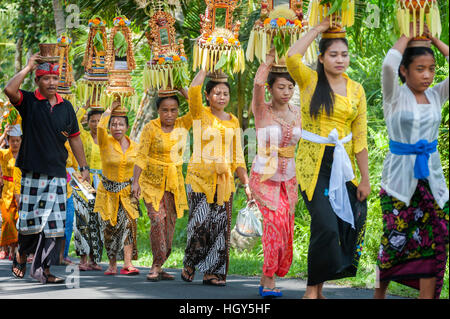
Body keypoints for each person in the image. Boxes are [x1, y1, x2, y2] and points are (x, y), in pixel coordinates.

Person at [286, 18, 370, 299]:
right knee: (324, 224)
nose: (340, 59)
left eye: (344, 54)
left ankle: (318, 290)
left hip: (343, 167)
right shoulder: (309, 80)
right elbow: (291, 57)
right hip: (314, 165)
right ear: (321, 58)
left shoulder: (356, 89)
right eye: (333, 54)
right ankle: (311, 292)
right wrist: (318, 29)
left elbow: (360, 138)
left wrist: (365, 179)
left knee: (340, 228)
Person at [374, 28, 449, 299]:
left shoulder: (437, 95)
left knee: (436, 239)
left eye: (431, 69)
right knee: (393, 241)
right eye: (420, 68)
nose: (427, 75)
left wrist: (434, 40)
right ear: (404, 71)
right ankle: (378, 294)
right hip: (398, 181)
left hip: (432, 180)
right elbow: (387, 64)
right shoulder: (394, 95)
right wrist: (408, 34)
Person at [3, 53, 90, 284]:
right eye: (46, 78)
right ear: (37, 81)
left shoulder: (66, 107)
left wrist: (84, 167)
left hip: (58, 175)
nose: (51, 82)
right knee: (30, 224)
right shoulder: (29, 102)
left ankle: (44, 270)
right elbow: (9, 90)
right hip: (32, 173)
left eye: (54, 78)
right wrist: (28, 66)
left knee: (54, 226)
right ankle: (22, 253)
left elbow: (75, 139)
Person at [181, 70, 252, 286]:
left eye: (225, 94)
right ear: (207, 95)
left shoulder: (233, 121)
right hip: (200, 180)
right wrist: (204, 68)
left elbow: (238, 156)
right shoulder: (200, 114)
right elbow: (192, 91)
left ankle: (212, 272)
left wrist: (246, 183)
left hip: (224, 183)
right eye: (217, 93)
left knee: (219, 228)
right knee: (200, 225)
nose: (222, 97)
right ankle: (190, 262)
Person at [249, 49, 301, 298]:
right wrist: (268, 60)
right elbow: (258, 84)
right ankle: (268, 280)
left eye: (290, 87)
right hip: (265, 176)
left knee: (286, 229)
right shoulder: (262, 110)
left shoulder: (298, 113)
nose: (287, 92)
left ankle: (266, 276)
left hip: (289, 179)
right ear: (271, 89)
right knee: (274, 223)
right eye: (281, 87)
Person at [132, 92, 192, 281]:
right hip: (152, 182)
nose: (169, 114)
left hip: (174, 183)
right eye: (164, 110)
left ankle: (160, 262)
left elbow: (197, 107)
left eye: (173, 110)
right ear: (158, 110)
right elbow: (141, 155)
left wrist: (183, 90)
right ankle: (156, 265)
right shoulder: (151, 128)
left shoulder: (183, 124)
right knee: (157, 219)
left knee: (169, 225)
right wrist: (135, 181)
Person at [94, 101, 140, 276]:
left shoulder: (135, 147)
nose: (117, 127)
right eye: (113, 124)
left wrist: (138, 185)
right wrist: (109, 110)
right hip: (108, 192)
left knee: (129, 225)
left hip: (127, 192)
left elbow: (140, 166)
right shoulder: (105, 142)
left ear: (127, 127)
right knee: (110, 228)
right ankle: (112, 264)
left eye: (121, 124)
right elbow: (100, 127)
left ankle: (127, 264)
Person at [72, 99, 104, 271]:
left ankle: (94, 259)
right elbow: (75, 120)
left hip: (101, 182)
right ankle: (83, 259)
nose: (96, 124)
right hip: (82, 179)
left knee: (98, 220)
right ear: (88, 122)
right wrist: (85, 105)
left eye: (100, 121)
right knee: (82, 219)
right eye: (93, 120)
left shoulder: (108, 138)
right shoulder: (83, 135)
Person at [0, 124, 22, 260]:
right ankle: (3, 247)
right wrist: (3, 134)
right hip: (6, 190)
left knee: (16, 220)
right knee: (7, 220)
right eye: (12, 140)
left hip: (20, 189)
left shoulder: (24, 154)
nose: (14, 143)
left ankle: (13, 249)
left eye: (17, 140)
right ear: (8, 141)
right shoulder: (4, 154)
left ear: (21, 141)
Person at [58, 141, 77, 266]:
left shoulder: (72, 146)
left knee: (68, 223)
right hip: (53, 190)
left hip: (69, 191)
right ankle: (49, 255)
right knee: (54, 224)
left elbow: (75, 169)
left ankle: (62, 255)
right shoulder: (51, 142)